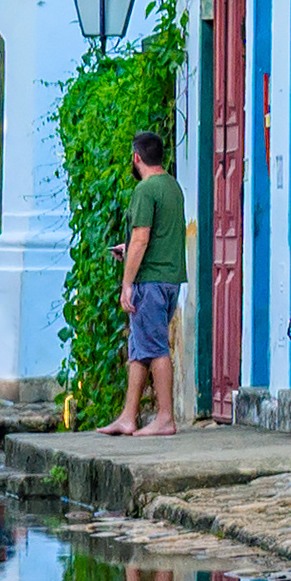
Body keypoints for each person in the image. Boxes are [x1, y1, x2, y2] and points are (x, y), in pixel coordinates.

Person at [115, 123, 191, 428]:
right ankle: (127, 417)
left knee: (155, 347)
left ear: (136, 158)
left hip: (151, 280)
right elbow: (158, 235)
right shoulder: (173, 186)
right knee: (141, 346)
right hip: (170, 278)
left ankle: (164, 417)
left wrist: (127, 284)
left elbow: (143, 236)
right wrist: (128, 247)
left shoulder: (144, 190)